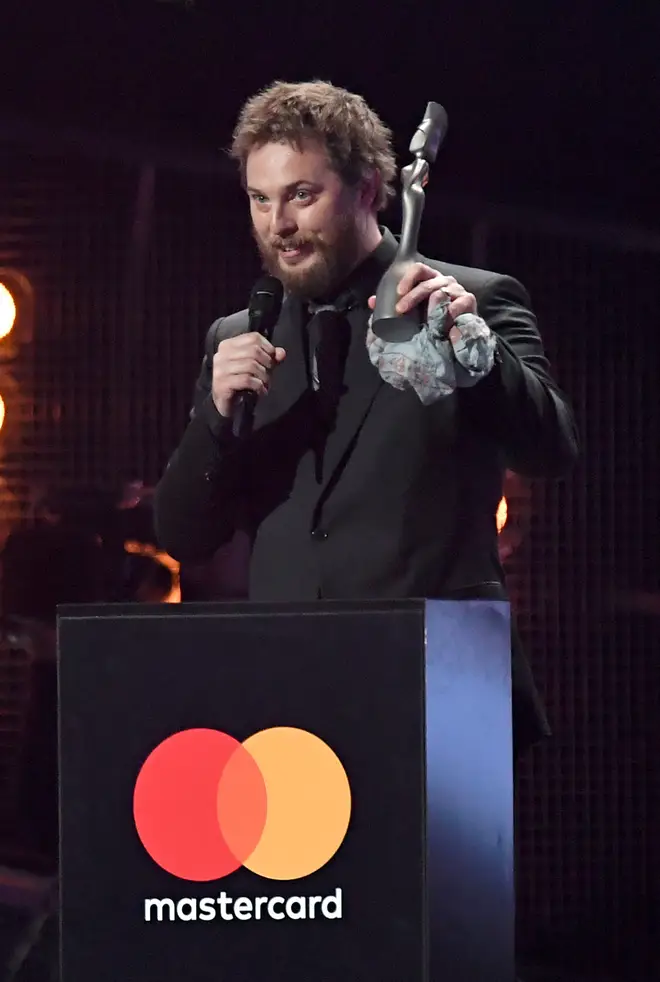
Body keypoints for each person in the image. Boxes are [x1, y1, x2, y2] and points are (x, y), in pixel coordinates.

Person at [153, 79, 579, 759]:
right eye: (259, 199)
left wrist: (477, 355)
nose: (277, 225)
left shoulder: (472, 300)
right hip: (290, 697)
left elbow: (553, 450)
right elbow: (183, 535)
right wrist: (212, 416)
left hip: (441, 685)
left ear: (370, 190)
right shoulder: (237, 337)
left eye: (300, 194)